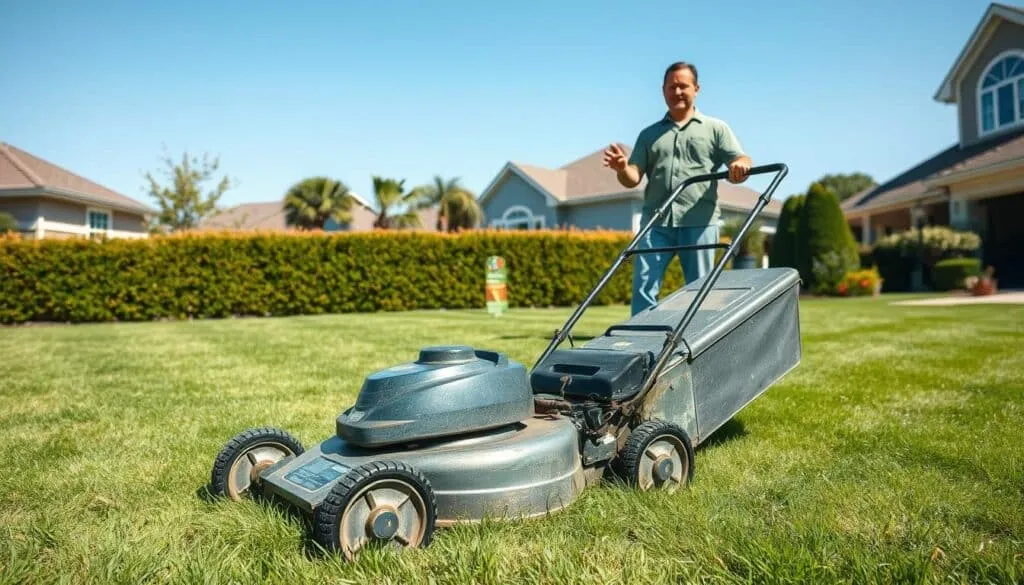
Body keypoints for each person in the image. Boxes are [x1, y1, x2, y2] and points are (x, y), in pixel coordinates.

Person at [603, 61, 752, 315]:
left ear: (696, 89)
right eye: (671, 87)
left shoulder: (716, 129)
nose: (677, 92)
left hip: (699, 222)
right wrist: (622, 168)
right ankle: (640, 334)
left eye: (683, 86)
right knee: (644, 288)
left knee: (700, 291)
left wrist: (741, 165)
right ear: (663, 90)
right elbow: (632, 178)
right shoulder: (649, 135)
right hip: (655, 224)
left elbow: (740, 160)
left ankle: (699, 335)